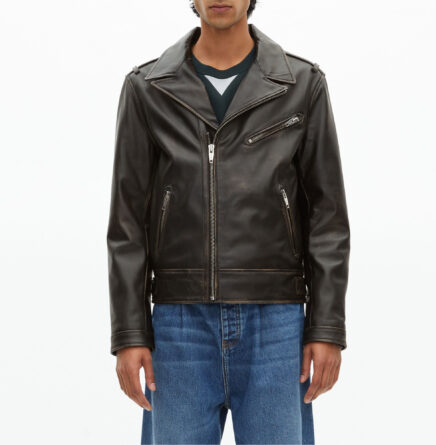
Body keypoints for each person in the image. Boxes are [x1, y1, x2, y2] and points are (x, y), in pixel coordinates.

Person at [106, 1, 350, 444]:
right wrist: (130, 332)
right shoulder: (148, 88)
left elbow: (328, 218)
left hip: (276, 324)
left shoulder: (301, 84)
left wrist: (326, 326)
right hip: (178, 326)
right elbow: (127, 224)